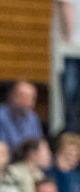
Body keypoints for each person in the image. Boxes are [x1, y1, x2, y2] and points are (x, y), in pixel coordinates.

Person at [0, 81, 43, 153]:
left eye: (31, 98)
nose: (26, 101)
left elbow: (37, 146)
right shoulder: (0, 115)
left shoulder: (33, 119)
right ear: (11, 96)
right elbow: (3, 148)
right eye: (22, 96)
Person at [57, 0, 80, 132]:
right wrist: (69, 38)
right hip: (72, 49)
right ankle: (72, 135)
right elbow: (65, 6)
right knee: (71, 98)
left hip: (73, 48)